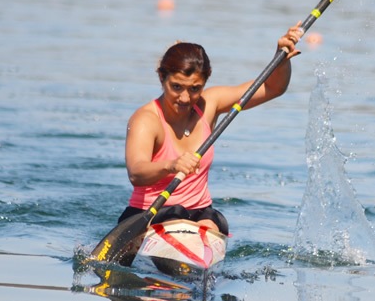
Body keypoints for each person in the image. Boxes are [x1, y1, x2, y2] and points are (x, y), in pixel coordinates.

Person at [116, 24, 304, 240]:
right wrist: (171, 164)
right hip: (150, 215)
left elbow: (272, 88)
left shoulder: (209, 104)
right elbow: (136, 173)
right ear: (162, 78)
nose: (185, 98)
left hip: (200, 215)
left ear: (205, 82)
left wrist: (282, 58)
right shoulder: (146, 120)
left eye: (195, 88)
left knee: (211, 223)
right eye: (176, 87)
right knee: (181, 223)